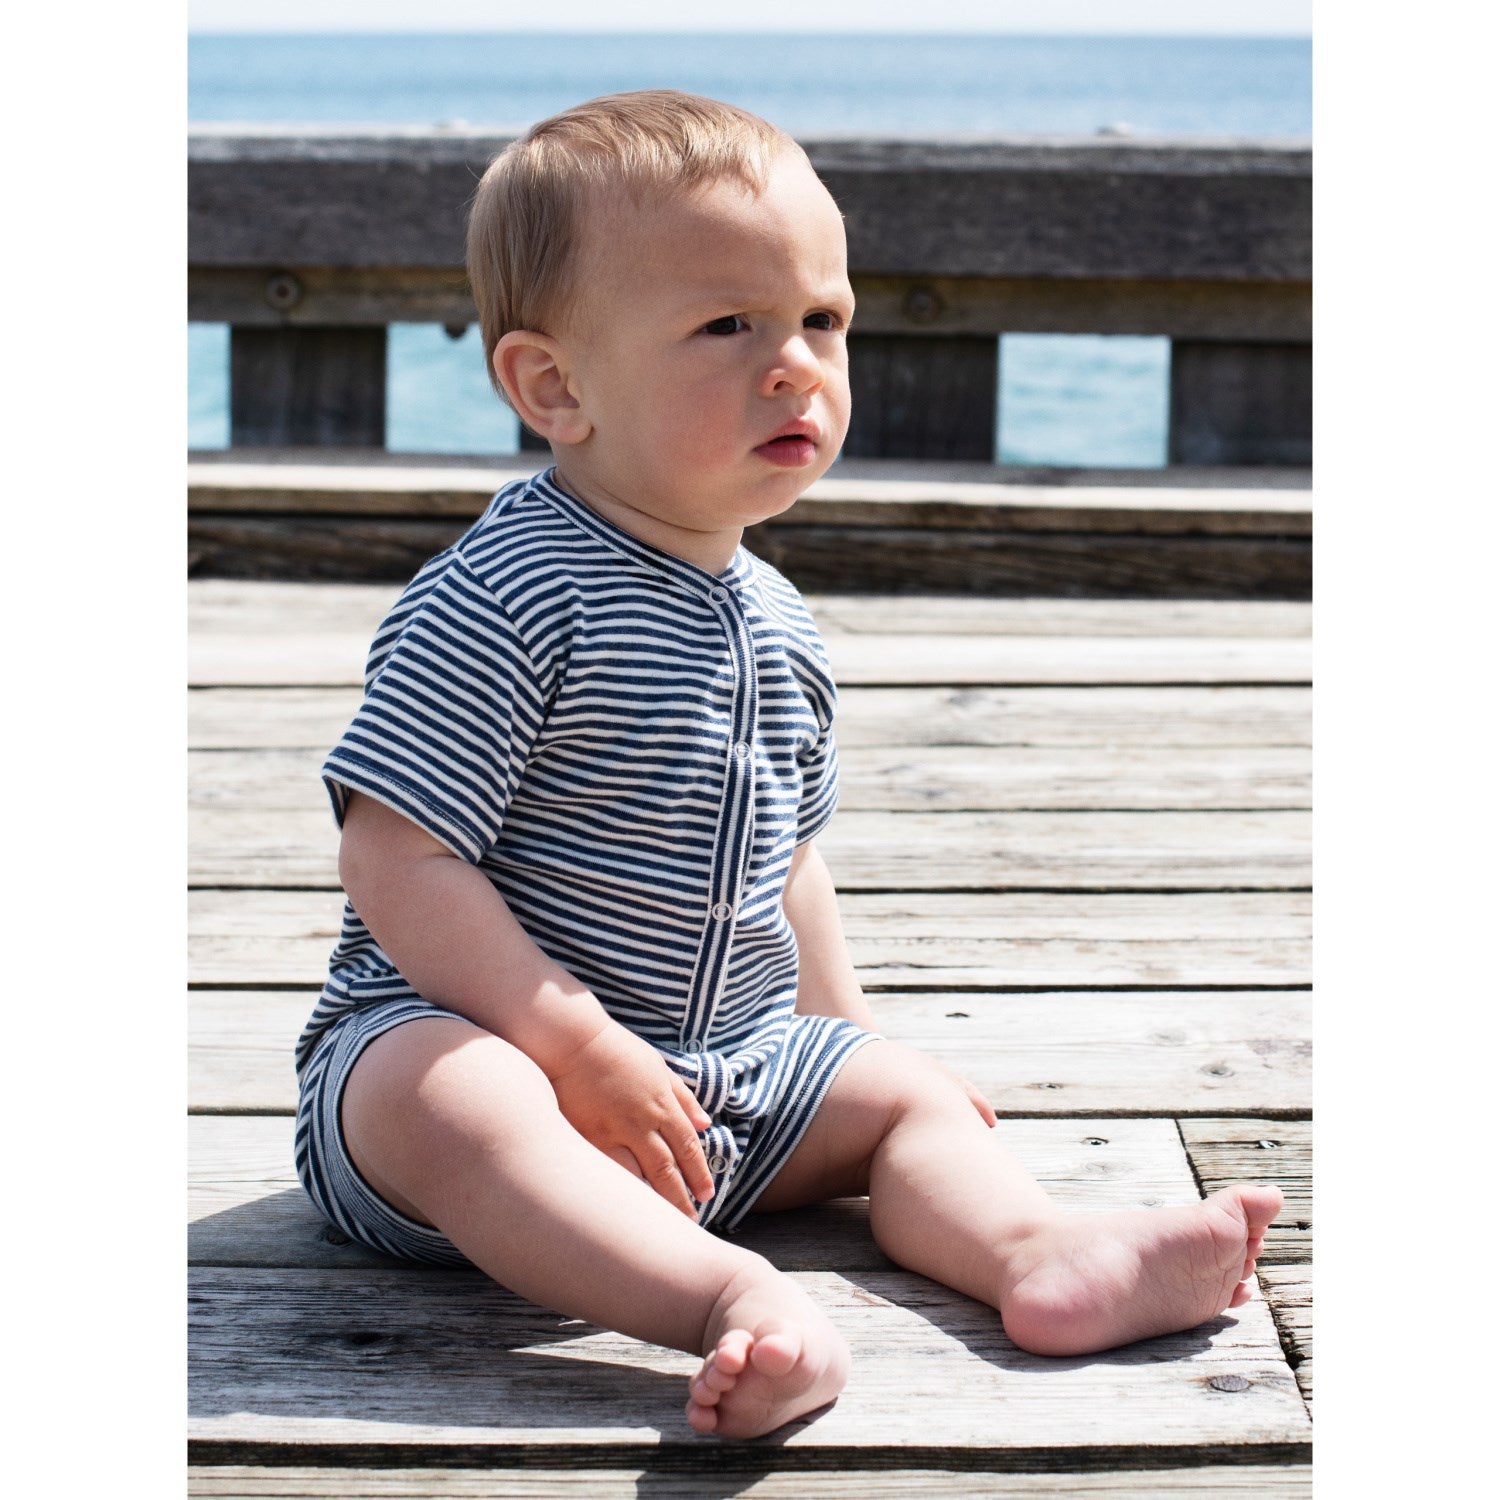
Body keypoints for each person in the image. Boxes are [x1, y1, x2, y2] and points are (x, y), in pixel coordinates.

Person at [293, 89, 1282, 1441]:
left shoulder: (778, 621)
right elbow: (394, 851)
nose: (796, 365)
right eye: (728, 326)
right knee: (447, 1095)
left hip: (721, 1084)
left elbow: (790, 865)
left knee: (907, 1097)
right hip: (489, 1053)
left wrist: (847, 1043)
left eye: (821, 318)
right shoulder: (508, 592)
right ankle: (729, 1301)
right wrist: (573, 1045)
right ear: (554, 387)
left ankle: (1036, 1255)